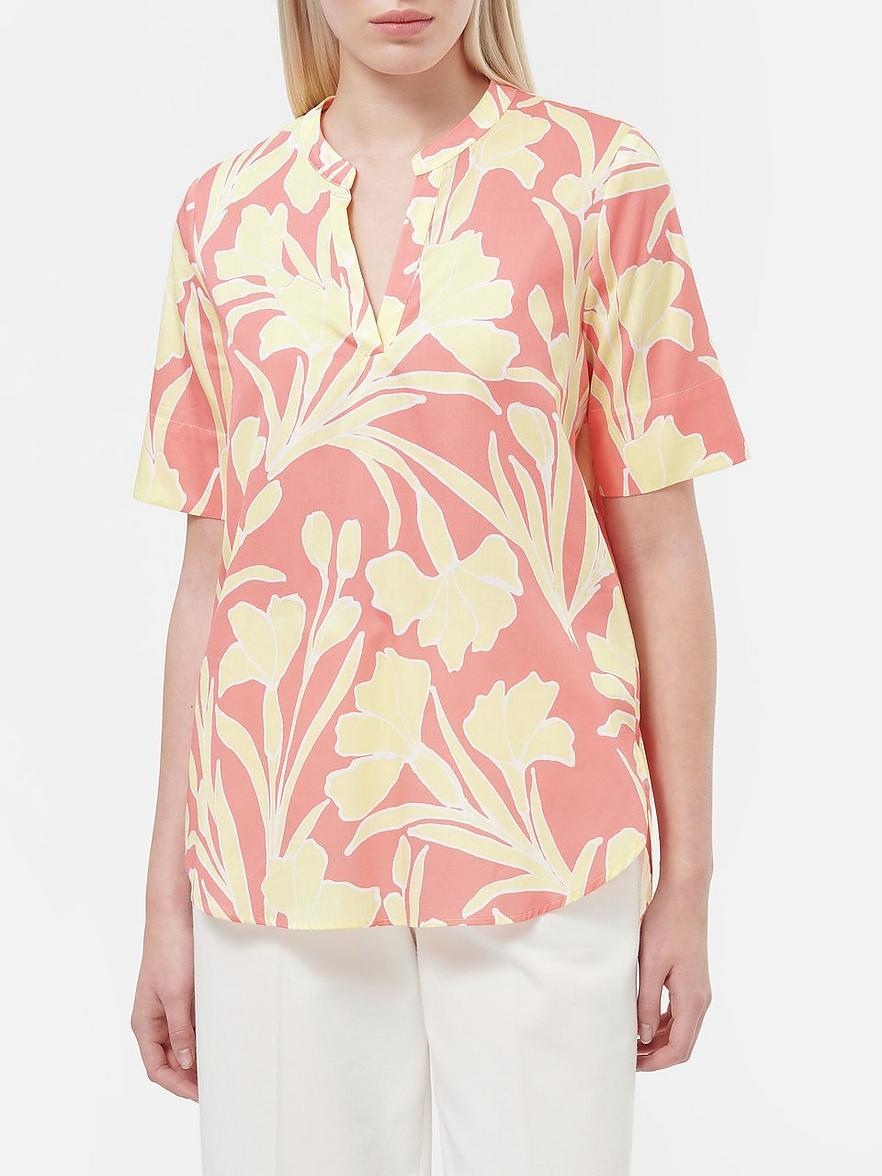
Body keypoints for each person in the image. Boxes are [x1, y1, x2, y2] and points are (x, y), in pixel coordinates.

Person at [129, 2, 749, 1173]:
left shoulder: (599, 179)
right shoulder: (222, 216)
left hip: (544, 829)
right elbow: (210, 579)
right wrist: (166, 898)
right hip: (277, 845)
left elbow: (662, 548)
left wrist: (689, 880)